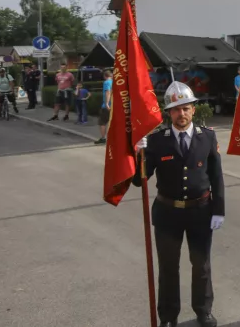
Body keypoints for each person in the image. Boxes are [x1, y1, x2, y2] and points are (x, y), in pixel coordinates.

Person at [132, 82, 225, 327]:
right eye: (175, 109)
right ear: (168, 113)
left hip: (200, 211)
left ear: (193, 110)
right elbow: (139, 181)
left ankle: (203, 310)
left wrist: (219, 210)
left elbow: (216, 177)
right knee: (168, 268)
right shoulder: (156, 142)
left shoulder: (207, 137)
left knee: (201, 265)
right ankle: (168, 317)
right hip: (167, 214)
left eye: (185, 108)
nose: (181, 114)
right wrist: (137, 155)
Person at [96, 69, 112, 145]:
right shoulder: (115, 82)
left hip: (107, 106)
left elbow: (108, 92)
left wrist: (106, 103)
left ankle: (103, 138)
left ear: (105, 76)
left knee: (102, 122)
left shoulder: (106, 82)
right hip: (114, 105)